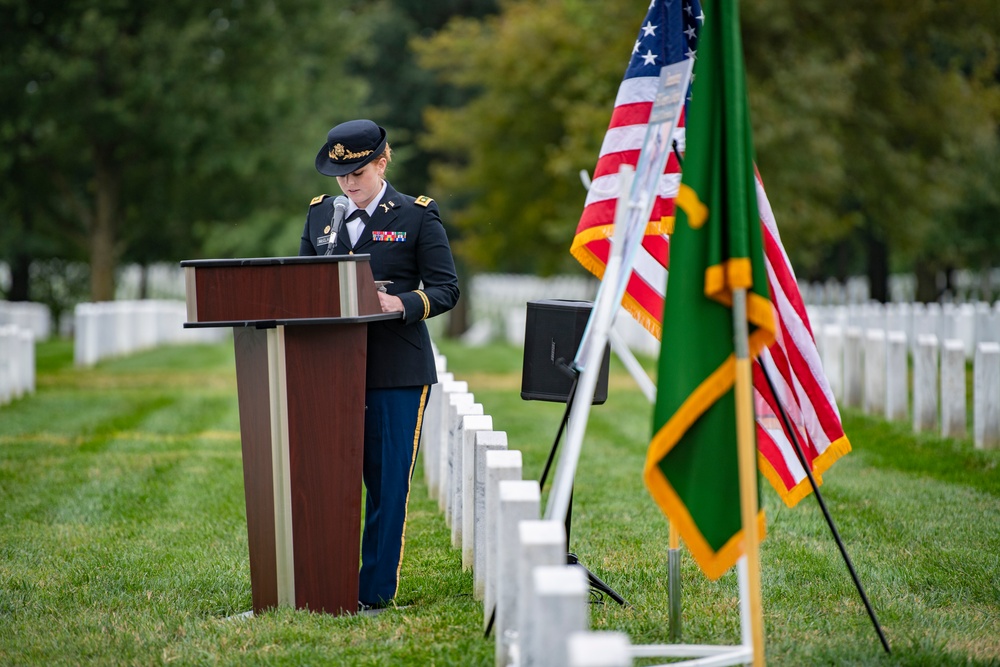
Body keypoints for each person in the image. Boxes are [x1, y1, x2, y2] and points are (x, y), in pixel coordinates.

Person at [299, 119, 460, 610]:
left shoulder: (416, 216)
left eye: (358, 173)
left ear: (383, 161)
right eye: (340, 174)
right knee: (329, 479)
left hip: (395, 371)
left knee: (386, 483)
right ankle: (325, 584)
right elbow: (304, 285)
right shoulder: (319, 216)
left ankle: (372, 593)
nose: (348, 184)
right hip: (330, 370)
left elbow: (446, 288)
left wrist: (401, 304)